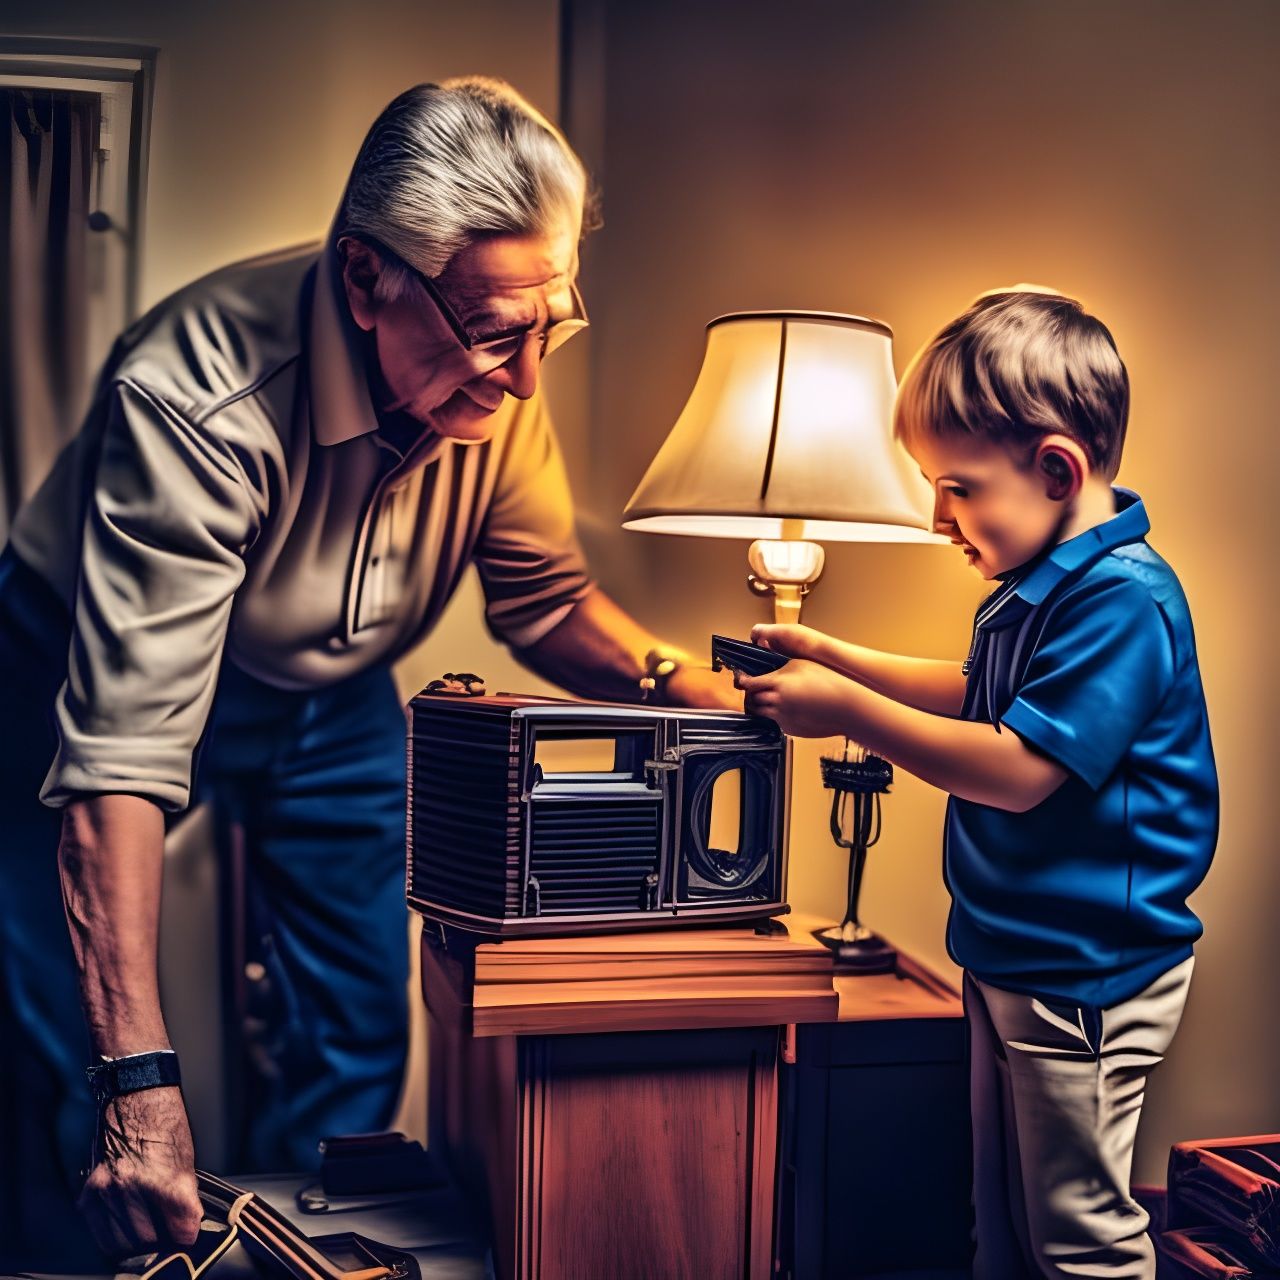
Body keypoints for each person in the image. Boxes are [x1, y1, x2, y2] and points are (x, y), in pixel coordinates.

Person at [0, 77, 733, 1268]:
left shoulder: (502, 367)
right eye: (495, 332)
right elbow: (122, 761)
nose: (527, 376)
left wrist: (681, 680)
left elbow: (543, 603)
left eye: (552, 323)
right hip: (62, 676)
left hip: (330, 692)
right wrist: (141, 1089)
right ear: (364, 279)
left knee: (351, 1028)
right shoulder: (193, 396)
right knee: (63, 1055)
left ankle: (303, 1257)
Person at [738, 288, 1217, 1279]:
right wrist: (838, 655)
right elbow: (975, 694)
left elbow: (1016, 768)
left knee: (1076, 1233)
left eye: (954, 487)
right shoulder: (1032, 588)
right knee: (998, 1221)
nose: (936, 516)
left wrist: (847, 710)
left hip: (1085, 968)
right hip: (1009, 949)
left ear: (1053, 469)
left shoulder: (1123, 600)